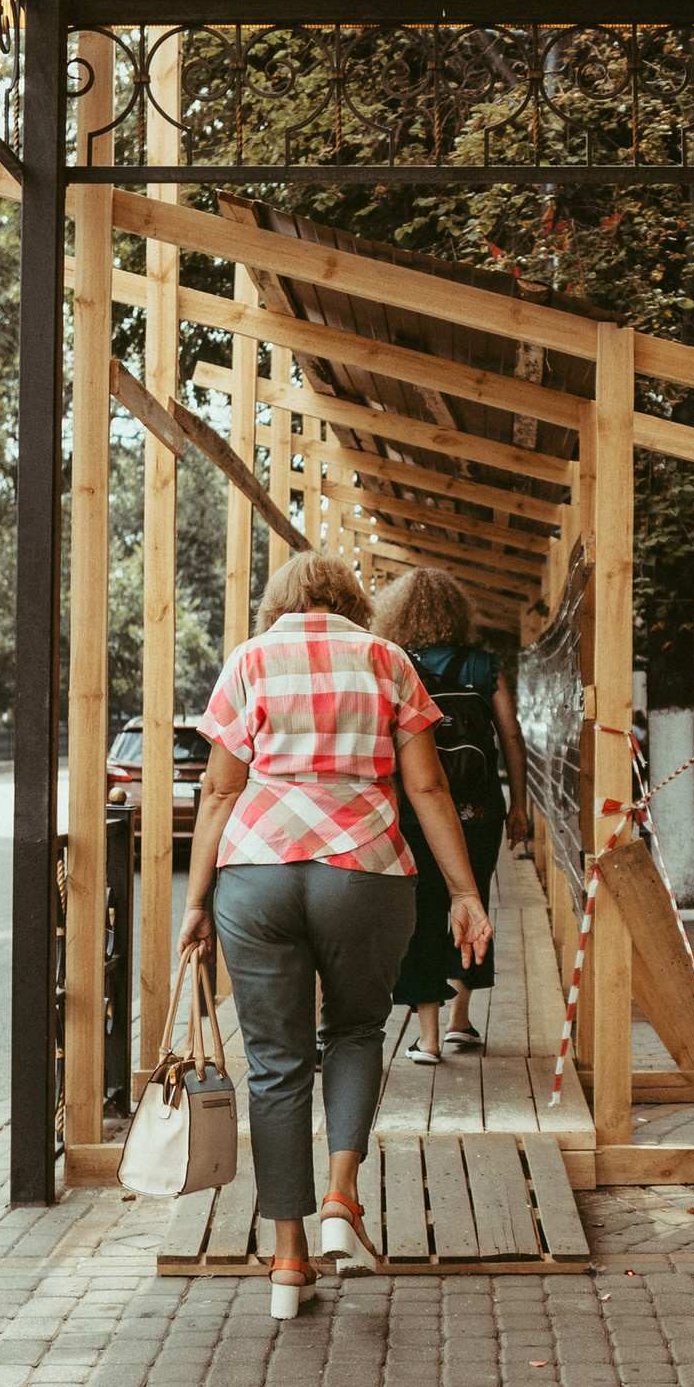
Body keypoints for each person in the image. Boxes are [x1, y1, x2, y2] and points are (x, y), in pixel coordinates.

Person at [178, 549, 491, 1320]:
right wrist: (463, 890)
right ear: (354, 601)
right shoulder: (387, 661)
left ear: (276, 603)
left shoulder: (249, 662)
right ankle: (341, 1200)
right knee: (354, 1029)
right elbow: (425, 784)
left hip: (257, 871)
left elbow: (219, 792)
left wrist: (196, 900)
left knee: (277, 1065)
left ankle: (288, 1263)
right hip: (367, 871)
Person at [368, 568, 528, 1062]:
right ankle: (461, 1020)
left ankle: (430, 1036)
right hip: (478, 812)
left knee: (423, 916)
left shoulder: (394, 665)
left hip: (415, 813)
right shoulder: (483, 665)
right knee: (472, 901)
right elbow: (510, 736)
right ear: (457, 613)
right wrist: (519, 804)